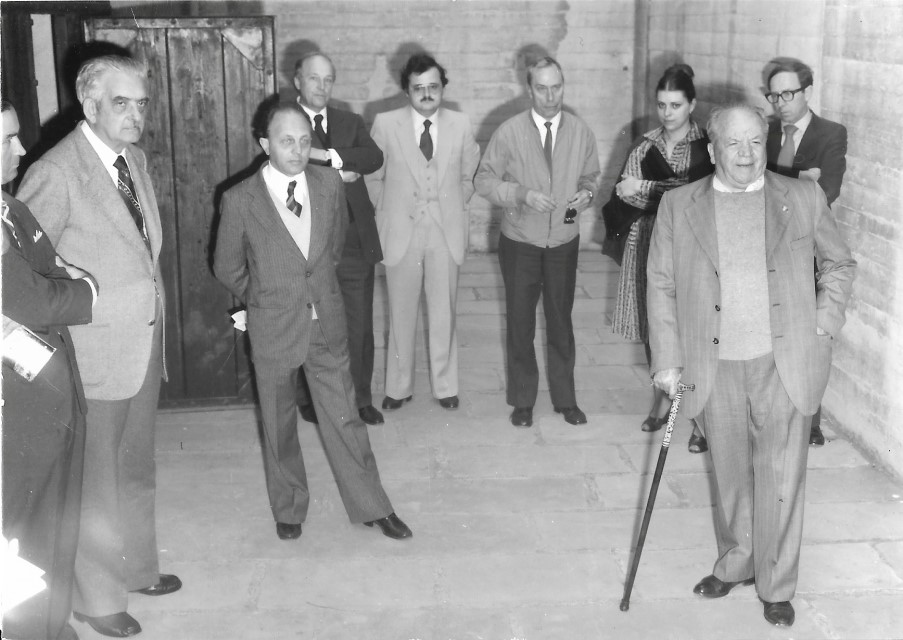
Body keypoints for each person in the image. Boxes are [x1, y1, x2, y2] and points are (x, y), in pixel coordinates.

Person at [647, 104, 855, 627]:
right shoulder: (678, 205)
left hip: (783, 361)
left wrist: (824, 323)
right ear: (712, 148)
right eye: (733, 143)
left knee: (781, 477)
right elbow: (661, 283)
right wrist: (667, 359)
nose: (746, 154)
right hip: (713, 363)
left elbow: (839, 263)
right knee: (730, 473)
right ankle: (738, 561)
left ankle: (776, 583)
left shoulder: (802, 197)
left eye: (756, 142)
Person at [17, 55, 180, 639]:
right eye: (121, 103)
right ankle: (97, 597)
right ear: (89, 106)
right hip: (93, 352)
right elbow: (24, 262)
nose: (135, 115)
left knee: (135, 464)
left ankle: (136, 567)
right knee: (95, 479)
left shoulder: (133, 158)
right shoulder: (57, 171)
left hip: (141, 340)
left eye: (141, 104)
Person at [213, 101, 412, 543]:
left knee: (345, 418)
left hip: (325, 320)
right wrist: (266, 298)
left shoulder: (328, 184)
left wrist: (313, 291)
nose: (298, 151)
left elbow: (332, 249)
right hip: (273, 325)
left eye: (305, 141)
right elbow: (226, 266)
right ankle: (289, 507)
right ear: (265, 144)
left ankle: (373, 505)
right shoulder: (239, 200)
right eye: (287, 141)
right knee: (278, 420)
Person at [2, 99, 97, 640]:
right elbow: (31, 298)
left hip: (51, 397)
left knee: (56, 529)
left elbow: (49, 266)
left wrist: (66, 280)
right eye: (7, 139)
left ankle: (52, 626)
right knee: (21, 540)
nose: (20, 148)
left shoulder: (10, 208)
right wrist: (86, 291)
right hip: (16, 417)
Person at [474, 56, 599, 428]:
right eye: (541, 88)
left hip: (563, 240)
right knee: (520, 322)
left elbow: (591, 175)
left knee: (561, 321)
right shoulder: (509, 131)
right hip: (520, 241)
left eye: (556, 87)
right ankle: (523, 400)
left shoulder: (581, 131)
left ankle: (565, 400)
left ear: (563, 86)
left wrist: (587, 193)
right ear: (529, 89)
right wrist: (520, 194)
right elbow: (484, 180)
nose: (550, 96)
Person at [604, 64, 713, 447]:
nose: (667, 113)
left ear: (692, 105)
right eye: (661, 104)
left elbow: (698, 192)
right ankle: (663, 398)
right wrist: (664, 191)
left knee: (694, 329)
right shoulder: (645, 144)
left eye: (676, 105)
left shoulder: (706, 143)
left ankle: (700, 417)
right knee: (655, 323)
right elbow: (623, 195)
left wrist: (646, 187)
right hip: (647, 244)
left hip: (691, 248)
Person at [365, 54, 480, 412]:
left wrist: (452, 205)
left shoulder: (460, 123)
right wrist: (390, 210)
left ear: (443, 87)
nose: (427, 94)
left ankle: (446, 386)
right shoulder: (386, 124)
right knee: (400, 313)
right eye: (419, 88)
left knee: (444, 311)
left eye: (433, 86)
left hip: (444, 231)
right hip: (402, 231)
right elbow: (372, 177)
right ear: (407, 90)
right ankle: (398, 387)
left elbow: (470, 175)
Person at [290, 52, 388, 426]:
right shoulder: (284, 120)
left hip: (354, 241)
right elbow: (286, 162)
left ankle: (360, 398)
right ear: (297, 81)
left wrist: (327, 156)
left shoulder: (349, 120)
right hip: (308, 241)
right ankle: (310, 398)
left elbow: (373, 157)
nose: (322, 86)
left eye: (328, 79)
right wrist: (340, 171)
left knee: (359, 324)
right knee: (310, 322)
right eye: (314, 78)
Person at [764, 56, 849, 446]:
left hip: (807, 246)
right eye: (774, 95)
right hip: (766, 242)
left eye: (788, 94)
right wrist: (801, 177)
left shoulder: (831, 133)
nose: (780, 103)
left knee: (810, 337)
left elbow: (827, 189)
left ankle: (810, 421)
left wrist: (779, 179)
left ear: (808, 92)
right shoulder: (764, 132)